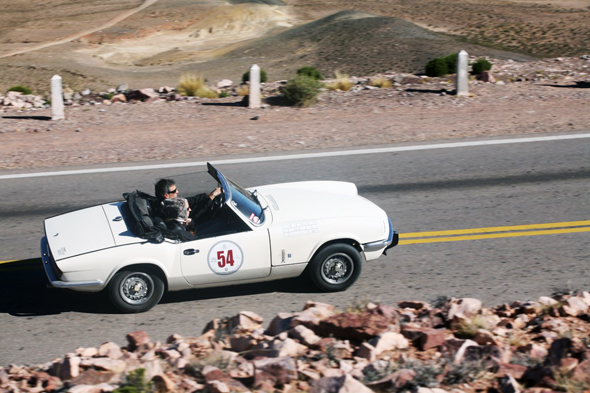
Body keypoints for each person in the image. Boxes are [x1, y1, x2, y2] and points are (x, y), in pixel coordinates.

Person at [154, 178, 221, 221]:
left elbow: (191, 200)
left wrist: (208, 195)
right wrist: (212, 195)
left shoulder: (170, 202)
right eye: (174, 191)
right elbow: (195, 214)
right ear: (166, 195)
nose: (177, 191)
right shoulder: (170, 209)